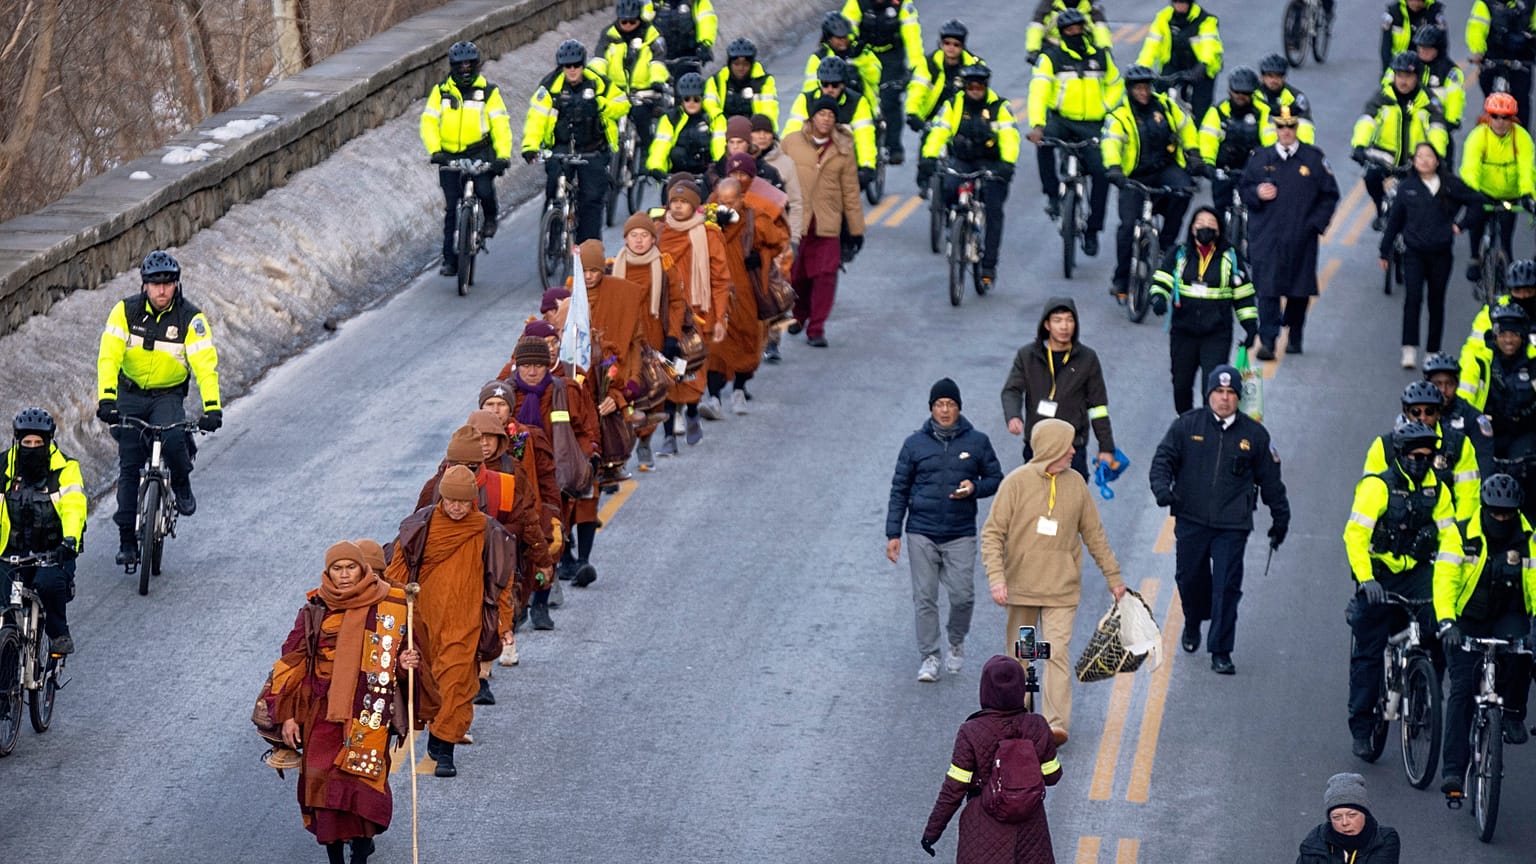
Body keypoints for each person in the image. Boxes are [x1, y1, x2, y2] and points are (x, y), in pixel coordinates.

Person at [262, 542, 421, 864]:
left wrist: (406, 663)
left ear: (363, 569)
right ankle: (335, 858)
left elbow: (404, 660)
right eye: (338, 568)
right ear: (328, 572)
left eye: (351, 567)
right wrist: (289, 716)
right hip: (320, 713)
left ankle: (361, 855)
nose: (345, 575)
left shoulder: (391, 605)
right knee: (322, 789)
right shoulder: (315, 609)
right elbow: (291, 664)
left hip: (368, 711)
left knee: (362, 788)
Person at [982, 418, 1126, 742]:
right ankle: (1016, 718)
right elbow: (992, 533)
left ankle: (1053, 724)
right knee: (1022, 656)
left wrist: (1114, 578)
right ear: (1050, 449)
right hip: (1022, 591)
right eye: (1066, 446)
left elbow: (1094, 535)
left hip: (1061, 590)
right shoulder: (1016, 483)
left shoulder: (1076, 484)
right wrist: (997, 578)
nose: (1073, 451)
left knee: (1056, 652)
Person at [1149, 365, 1290, 674]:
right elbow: (1162, 461)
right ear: (1209, 393)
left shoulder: (1254, 435)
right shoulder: (1187, 425)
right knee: (1190, 579)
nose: (1224, 399)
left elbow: (1271, 482)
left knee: (1226, 586)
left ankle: (1221, 651)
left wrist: (1281, 519)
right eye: (1219, 392)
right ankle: (1193, 620)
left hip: (1232, 524)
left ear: (1238, 397)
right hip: (1191, 518)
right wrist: (1163, 490)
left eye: (1230, 393)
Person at [384, 465, 517, 777]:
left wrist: (504, 623)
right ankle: (436, 735)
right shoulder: (422, 526)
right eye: (450, 501)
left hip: (465, 620)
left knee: (457, 684)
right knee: (428, 681)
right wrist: (399, 600)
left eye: (463, 501)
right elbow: (397, 569)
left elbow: (501, 580)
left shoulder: (486, 529)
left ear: (473, 500)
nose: (456, 507)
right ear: (441, 497)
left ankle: (445, 749)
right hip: (425, 620)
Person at [96, 250, 222, 567]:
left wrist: (212, 408)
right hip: (130, 395)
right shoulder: (125, 311)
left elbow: (206, 367)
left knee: (174, 439)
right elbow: (108, 357)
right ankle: (127, 538)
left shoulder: (191, 319)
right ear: (145, 285)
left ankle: (180, 482)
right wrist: (107, 399)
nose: (162, 290)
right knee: (129, 464)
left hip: (167, 396)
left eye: (168, 284)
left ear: (176, 285)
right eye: (155, 284)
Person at [1343, 421, 1457, 759]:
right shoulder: (1377, 487)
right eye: (1414, 455)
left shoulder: (1439, 491)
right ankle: (1363, 728)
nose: (1420, 462)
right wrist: (1366, 580)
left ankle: (1424, 697)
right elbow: (1355, 537)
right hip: (1380, 578)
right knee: (1368, 652)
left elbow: (1450, 541)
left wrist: (1447, 594)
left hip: (1420, 575)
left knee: (1437, 635)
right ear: (1400, 455)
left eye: (1427, 456)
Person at [887, 379, 1005, 682]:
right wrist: (893, 534)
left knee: (963, 596)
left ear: (959, 408)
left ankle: (956, 639)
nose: (945, 410)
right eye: (939, 404)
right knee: (924, 597)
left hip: (960, 532)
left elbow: (996, 478)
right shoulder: (914, 445)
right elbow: (899, 488)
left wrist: (974, 487)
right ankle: (930, 656)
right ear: (931, 409)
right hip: (921, 531)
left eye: (950, 404)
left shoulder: (976, 442)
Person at [1436, 473, 1535, 797]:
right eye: (1496, 512)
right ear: (1485, 508)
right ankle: (1453, 771)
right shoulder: (1461, 535)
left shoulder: (1528, 538)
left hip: (1509, 614)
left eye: (1508, 513)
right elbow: (1446, 580)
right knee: (1463, 690)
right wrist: (1447, 623)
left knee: (1523, 655)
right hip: (1468, 620)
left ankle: (1511, 715)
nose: (1502, 518)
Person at [920, 656, 1062, 861]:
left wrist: (932, 833)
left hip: (982, 831)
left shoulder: (971, 731)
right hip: (1031, 832)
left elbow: (954, 789)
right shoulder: (1037, 725)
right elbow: (1052, 776)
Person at [1241, 104, 1340, 359]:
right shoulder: (1260, 158)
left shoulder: (1313, 159)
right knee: (1267, 290)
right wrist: (1256, 194)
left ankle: (1295, 334)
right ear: (1275, 127)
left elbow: (1329, 195)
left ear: (1297, 127)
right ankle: (1269, 341)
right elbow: (1243, 189)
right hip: (1268, 236)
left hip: (1300, 236)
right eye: (1281, 126)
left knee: (1299, 290)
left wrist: (1316, 224)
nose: (1286, 131)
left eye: (1291, 126)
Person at [1103, 64, 1200, 301]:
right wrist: (1114, 169)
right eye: (1138, 88)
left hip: (1164, 168)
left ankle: (1165, 244)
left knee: (1184, 190)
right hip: (1133, 176)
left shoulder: (1166, 106)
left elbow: (1186, 127)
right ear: (1130, 89)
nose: (1143, 92)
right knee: (1127, 227)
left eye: (1146, 87)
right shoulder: (1120, 114)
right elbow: (1111, 143)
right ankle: (1121, 279)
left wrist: (1194, 153)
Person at [1026, 9, 1118, 255]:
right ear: (1062, 33)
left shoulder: (1100, 56)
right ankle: (1053, 197)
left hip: (1093, 124)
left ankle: (1093, 230)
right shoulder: (1050, 58)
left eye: (1078, 28)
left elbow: (1116, 85)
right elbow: (1038, 91)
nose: (1074, 33)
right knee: (1043, 144)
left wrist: (1106, 108)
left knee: (1102, 172)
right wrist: (1037, 124)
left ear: (1084, 30)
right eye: (1069, 30)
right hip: (1061, 119)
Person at [1381, 142, 1480, 369]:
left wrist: (1460, 225)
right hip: (1414, 253)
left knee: (1437, 302)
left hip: (1441, 254)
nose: (1424, 160)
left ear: (1437, 160)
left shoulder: (1450, 185)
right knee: (1413, 299)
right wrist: (1384, 250)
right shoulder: (1407, 188)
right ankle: (1409, 349)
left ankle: (1433, 351)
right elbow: (1395, 221)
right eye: (1419, 157)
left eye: (1429, 156)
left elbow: (1477, 201)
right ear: (1414, 162)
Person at [1151, 206, 1258, 414]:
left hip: (1216, 333)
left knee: (1211, 387)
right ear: (1192, 228)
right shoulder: (1179, 254)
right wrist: (1158, 298)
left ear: (1219, 230)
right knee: (1181, 385)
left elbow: (1244, 294)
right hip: (1183, 332)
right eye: (1200, 224)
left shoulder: (1231, 258)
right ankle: (1185, 424)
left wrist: (1251, 326)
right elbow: (1162, 279)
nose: (1205, 228)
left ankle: (1206, 429)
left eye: (1211, 224)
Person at [520, 39, 626, 245]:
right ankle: (551, 239)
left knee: (592, 200)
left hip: (593, 149)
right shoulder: (550, 86)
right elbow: (536, 118)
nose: (572, 70)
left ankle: (589, 251)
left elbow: (622, 104)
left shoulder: (598, 83)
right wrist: (530, 146)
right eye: (567, 66)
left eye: (576, 65)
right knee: (554, 187)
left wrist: (601, 105)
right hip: (561, 147)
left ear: (583, 64)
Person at [420, 41, 512, 277]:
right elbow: (428, 122)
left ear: (476, 65)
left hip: (480, 151)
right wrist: (436, 150)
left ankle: (490, 217)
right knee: (452, 207)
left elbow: (501, 125)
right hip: (449, 154)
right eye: (459, 65)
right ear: (452, 66)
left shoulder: (489, 93)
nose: (464, 69)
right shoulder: (441, 92)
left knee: (483, 188)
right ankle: (450, 260)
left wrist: (502, 156)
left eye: (468, 64)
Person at [924, 63, 1019, 285]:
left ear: (985, 86)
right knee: (948, 187)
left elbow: (1009, 137)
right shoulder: (953, 104)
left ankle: (989, 267)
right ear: (965, 87)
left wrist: (1007, 164)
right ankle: (955, 226)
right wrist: (929, 156)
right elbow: (939, 130)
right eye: (971, 86)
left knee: (994, 209)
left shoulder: (999, 107)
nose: (975, 90)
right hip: (963, 159)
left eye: (979, 86)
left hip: (992, 163)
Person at [1001, 298, 1116, 480]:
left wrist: (1106, 448)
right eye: (1058, 320)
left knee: (1071, 505)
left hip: (1072, 447)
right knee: (1035, 504)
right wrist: (1013, 415)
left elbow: (1098, 407)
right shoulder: (1027, 356)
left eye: (1069, 320)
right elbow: (1012, 390)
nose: (1064, 326)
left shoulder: (1087, 358)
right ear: (1046, 325)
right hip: (1037, 446)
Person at [705, 167, 789, 416]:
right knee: (715, 345)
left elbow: (777, 243)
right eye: (722, 202)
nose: (726, 207)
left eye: (731, 202)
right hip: (716, 290)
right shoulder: (709, 218)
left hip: (746, 292)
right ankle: (714, 397)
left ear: (742, 199)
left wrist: (759, 256)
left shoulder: (755, 219)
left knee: (746, 340)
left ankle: (740, 389)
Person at [782, 97, 865, 347]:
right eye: (822, 114)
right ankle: (799, 314)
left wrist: (856, 228)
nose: (826, 119)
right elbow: (776, 174)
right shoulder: (792, 142)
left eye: (831, 114)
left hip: (828, 222)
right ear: (812, 116)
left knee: (825, 275)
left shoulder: (844, 147)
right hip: (798, 221)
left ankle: (816, 328)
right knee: (797, 275)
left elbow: (850, 189)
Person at [0, 408, 84, 655]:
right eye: (27, 442)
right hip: (11, 552)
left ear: (49, 442)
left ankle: (59, 633)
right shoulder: (3, 467)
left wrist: (69, 541)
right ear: (18, 441)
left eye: (39, 442)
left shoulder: (66, 468)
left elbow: (74, 508)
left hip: (53, 552)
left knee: (48, 584)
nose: (33, 447)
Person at [611, 210, 688, 469]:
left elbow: (677, 303)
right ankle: (621, 452)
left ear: (653, 239)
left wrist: (673, 336)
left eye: (645, 235)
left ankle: (646, 442)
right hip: (623, 341)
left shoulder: (665, 265)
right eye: (634, 235)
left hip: (654, 339)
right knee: (624, 393)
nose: (639, 241)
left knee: (654, 392)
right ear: (625, 239)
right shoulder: (615, 267)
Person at [657, 177, 731, 446]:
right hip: (664, 312)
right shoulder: (658, 232)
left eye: (683, 202)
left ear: (695, 205)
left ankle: (689, 410)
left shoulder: (709, 235)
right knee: (667, 365)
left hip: (700, 312)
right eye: (673, 202)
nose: (677, 207)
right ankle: (672, 417)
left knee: (693, 367)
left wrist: (721, 316)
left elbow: (721, 279)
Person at [1351, 52, 1449, 228]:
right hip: (1385, 158)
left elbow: (1437, 131)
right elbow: (1367, 121)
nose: (1403, 81)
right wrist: (1359, 144)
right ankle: (1381, 210)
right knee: (1371, 176)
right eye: (1399, 75)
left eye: (1408, 76)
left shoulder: (1429, 101)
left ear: (1417, 76)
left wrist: (1436, 155)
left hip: (1416, 161)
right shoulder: (1383, 97)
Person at [1362, 381, 1481, 525]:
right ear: (1406, 412)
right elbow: (1369, 495)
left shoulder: (1459, 445)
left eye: (1429, 411)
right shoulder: (1384, 446)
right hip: (1394, 527)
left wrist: (1460, 533)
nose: (1422, 417)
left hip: (1441, 525)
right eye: (1416, 412)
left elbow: (1468, 497)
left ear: (1438, 413)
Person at [1458, 93, 1534, 284]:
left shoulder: (1522, 137)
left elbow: (1527, 169)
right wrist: (1472, 195)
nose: (1500, 122)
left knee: (1506, 238)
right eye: (1495, 116)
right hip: (1482, 193)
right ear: (1488, 116)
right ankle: (1475, 257)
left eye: (1505, 117)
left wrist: (1527, 194)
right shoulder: (1478, 136)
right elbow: (1469, 169)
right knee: (1476, 222)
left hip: (1510, 195)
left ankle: (1505, 274)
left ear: (1512, 118)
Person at [841, 0, 925, 165]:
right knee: (857, 95)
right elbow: (845, 28)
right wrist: (848, 50)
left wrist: (916, 66)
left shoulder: (902, 5)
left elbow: (912, 37)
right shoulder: (857, 3)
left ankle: (894, 147)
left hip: (892, 57)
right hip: (865, 56)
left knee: (890, 99)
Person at [906, 19, 983, 194]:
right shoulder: (929, 63)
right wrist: (912, 113)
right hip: (933, 113)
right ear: (940, 43)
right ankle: (924, 179)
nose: (951, 48)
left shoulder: (975, 66)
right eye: (946, 43)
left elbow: (982, 96)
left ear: (963, 46)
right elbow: (917, 89)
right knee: (928, 138)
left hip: (961, 115)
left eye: (956, 44)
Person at [590, 0, 670, 156]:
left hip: (643, 92)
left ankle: (647, 165)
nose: (627, 25)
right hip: (616, 92)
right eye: (623, 21)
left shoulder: (652, 35)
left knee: (643, 123)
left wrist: (657, 81)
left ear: (639, 19)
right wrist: (595, 81)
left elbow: (657, 62)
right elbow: (599, 60)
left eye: (632, 21)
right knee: (600, 123)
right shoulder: (609, 35)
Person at [783, 56, 879, 182]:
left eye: (834, 84)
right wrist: (784, 160)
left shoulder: (858, 102)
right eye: (825, 84)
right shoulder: (806, 100)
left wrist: (867, 166)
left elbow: (864, 137)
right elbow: (792, 131)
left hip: (845, 159)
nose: (829, 89)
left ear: (843, 84)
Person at [1198, 66, 1272, 227]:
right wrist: (1208, 163)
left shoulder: (1264, 112)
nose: (1240, 96)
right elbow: (1207, 139)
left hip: (1252, 168)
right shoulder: (1217, 112)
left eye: (1245, 93)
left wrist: (1269, 165)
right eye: (1237, 92)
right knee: (1219, 213)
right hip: (1224, 169)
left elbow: (1270, 140)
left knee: (1261, 214)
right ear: (1230, 91)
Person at [1136, 0, 1224, 123]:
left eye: (1183, 2)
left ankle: (1198, 132)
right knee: (1160, 100)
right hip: (1174, 65)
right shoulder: (1163, 18)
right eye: (1176, 1)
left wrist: (1203, 65)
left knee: (1201, 110)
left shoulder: (1206, 19)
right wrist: (1141, 69)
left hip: (1200, 68)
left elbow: (1209, 46)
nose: (1180, 4)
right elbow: (1151, 46)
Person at [1295, 774, 1402, 864]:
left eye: (1352, 815)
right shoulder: (1314, 842)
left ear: (1365, 814)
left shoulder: (1385, 839)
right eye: (1337, 817)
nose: (1345, 823)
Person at [1459, 260, 1536, 380]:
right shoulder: (1492, 312)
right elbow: (1474, 349)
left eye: (1528, 292)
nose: (1523, 296)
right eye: (1518, 291)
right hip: (1500, 373)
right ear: (1510, 291)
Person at [1466, 0, 1536, 127]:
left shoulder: (1530, 3)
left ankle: (1522, 136)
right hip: (1493, 57)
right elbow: (1476, 28)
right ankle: (1486, 128)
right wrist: (1477, 51)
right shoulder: (1485, 3)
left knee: (1522, 99)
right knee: (1488, 91)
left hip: (1522, 59)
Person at [645, 72, 724, 184]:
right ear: (681, 100)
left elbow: (719, 146)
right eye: (687, 99)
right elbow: (660, 146)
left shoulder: (713, 118)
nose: (691, 103)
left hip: (705, 176)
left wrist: (720, 169)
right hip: (676, 175)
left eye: (696, 99)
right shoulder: (670, 118)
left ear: (703, 99)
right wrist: (656, 167)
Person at [1424, 351, 1494, 473]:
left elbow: (1484, 464)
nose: (1443, 390)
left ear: (1457, 385)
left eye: (1449, 384)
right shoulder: (1416, 414)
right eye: (1437, 384)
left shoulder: (1474, 418)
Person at [803, 11, 882, 110]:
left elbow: (876, 77)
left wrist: (859, 59)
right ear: (829, 38)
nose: (843, 41)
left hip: (864, 107)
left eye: (845, 36)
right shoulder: (818, 59)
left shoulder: (860, 51)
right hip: (832, 111)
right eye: (839, 38)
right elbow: (811, 90)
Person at [1402, 25, 1465, 137]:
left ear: (1438, 49)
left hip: (1436, 124)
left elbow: (1455, 98)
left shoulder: (1449, 71)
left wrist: (1450, 122)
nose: (1422, 51)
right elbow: (1390, 86)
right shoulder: (1408, 63)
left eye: (1427, 48)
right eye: (1420, 47)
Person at [704, 38, 778, 124]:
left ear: (752, 65)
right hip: (724, 130)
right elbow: (710, 107)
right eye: (736, 64)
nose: (741, 68)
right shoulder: (716, 82)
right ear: (729, 64)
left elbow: (769, 111)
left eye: (745, 64)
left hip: (754, 131)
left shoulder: (764, 81)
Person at [644, 0, 716, 80]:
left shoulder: (698, 2)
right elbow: (641, 21)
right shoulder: (653, 3)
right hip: (658, 59)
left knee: (691, 88)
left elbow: (706, 21)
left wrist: (705, 44)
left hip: (687, 58)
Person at [1253, 53, 1316, 145]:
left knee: (1304, 125)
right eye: (1270, 76)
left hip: (1288, 134)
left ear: (1284, 77)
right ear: (1262, 77)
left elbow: (1305, 120)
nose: (1274, 80)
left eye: (1278, 76)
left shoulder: (1296, 96)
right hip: (1258, 137)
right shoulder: (1254, 94)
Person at [1025, 0, 1111, 58]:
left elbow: (1100, 27)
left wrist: (1105, 49)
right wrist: (1033, 50)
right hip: (1054, 47)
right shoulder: (1048, 4)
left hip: (1083, 47)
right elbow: (1036, 26)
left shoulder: (1091, 4)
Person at [1381, 0, 1448, 72]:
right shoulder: (1394, 14)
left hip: (1426, 67)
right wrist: (1387, 71)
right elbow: (1386, 47)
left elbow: (1442, 46)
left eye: (1420, 0)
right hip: (1399, 67)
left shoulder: (1434, 13)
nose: (1416, 4)